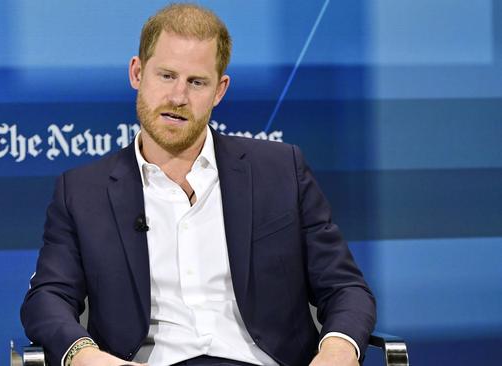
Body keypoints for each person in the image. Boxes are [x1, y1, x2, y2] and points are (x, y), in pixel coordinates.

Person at [21, 4, 375, 366]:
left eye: (196, 82)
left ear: (219, 90)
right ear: (137, 73)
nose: (178, 97)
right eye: (166, 76)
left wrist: (336, 350)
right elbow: (47, 298)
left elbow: (346, 288)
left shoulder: (281, 170)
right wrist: (85, 356)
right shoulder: (82, 192)